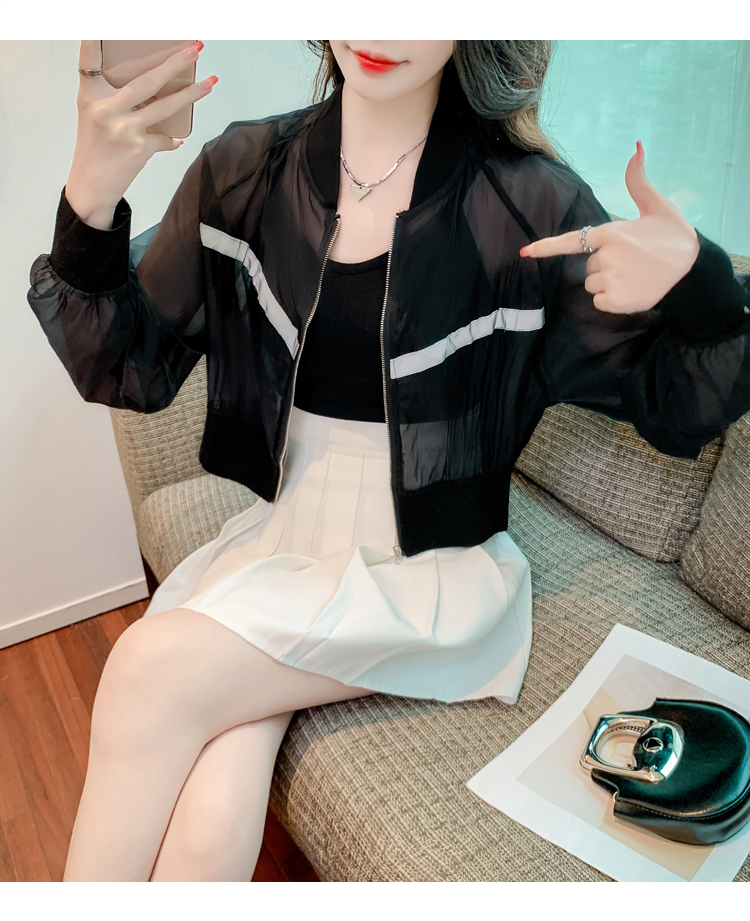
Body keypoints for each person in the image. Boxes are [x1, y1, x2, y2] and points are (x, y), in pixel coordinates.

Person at [27, 40, 750, 882]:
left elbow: (679, 405)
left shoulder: (524, 205)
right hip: (282, 538)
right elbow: (132, 366)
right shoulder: (248, 169)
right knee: (213, 809)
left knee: (144, 668)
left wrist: (702, 280)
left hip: (432, 571)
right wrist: (91, 193)